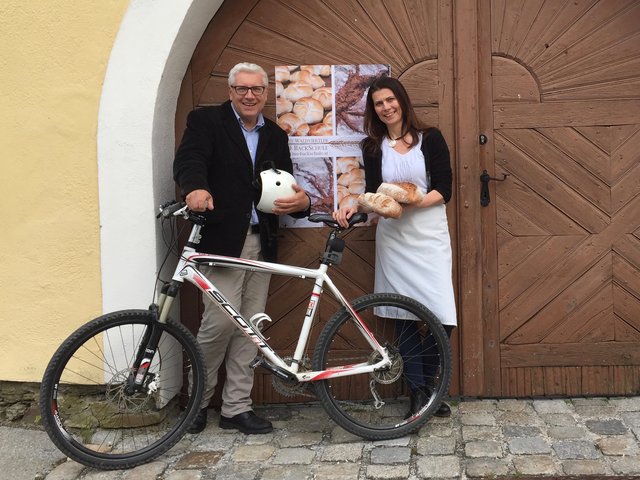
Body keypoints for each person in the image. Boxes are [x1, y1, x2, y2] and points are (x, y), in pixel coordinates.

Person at [173, 62, 311, 434]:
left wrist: (303, 204)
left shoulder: (276, 135)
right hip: (222, 240)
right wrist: (194, 188)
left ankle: (236, 407)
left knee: (251, 327)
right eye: (241, 89)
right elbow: (190, 160)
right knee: (217, 324)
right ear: (230, 91)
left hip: (261, 240)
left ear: (266, 94)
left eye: (256, 90)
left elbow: (286, 184)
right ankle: (197, 402)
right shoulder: (207, 122)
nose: (249, 95)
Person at [333, 76, 457, 418]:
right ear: (373, 110)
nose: (386, 107)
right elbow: (374, 191)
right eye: (378, 104)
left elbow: (444, 188)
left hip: (429, 232)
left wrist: (413, 202)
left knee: (440, 316)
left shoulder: (430, 138)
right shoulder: (372, 146)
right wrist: (354, 204)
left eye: (391, 100)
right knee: (402, 315)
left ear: (402, 101)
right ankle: (419, 395)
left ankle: (429, 385)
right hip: (394, 238)